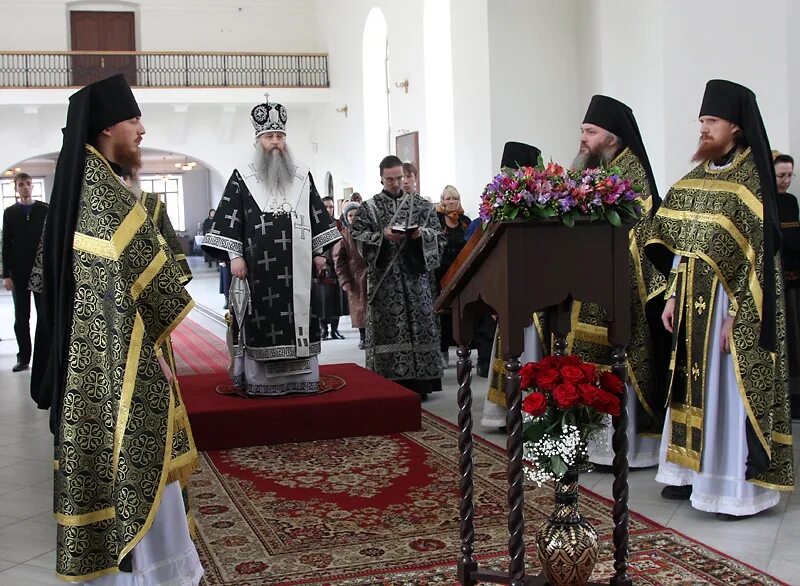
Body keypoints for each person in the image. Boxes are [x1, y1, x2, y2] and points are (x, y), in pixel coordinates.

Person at [30, 74, 202, 583]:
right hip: (123, 365)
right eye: (134, 120)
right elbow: (149, 294)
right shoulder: (105, 197)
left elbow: (50, 280)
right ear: (108, 127)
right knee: (135, 463)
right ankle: (154, 574)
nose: (142, 130)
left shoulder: (75, 186)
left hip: (90, 365)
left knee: (99, 462)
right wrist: (148, 358)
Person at [648, 79, 794, 518]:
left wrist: (738, 317)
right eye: (701, 121)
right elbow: (684, 246)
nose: (703, 129)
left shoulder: (751, 180)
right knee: (688, 389)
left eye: (710, 121)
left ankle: (729, 486)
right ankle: (688, 474)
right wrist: (673, 294)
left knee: (726, 394)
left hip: (729, 310)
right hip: (692, 304)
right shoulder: (696, 178)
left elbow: (756, 263)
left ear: (735, 125)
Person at [202, 95, 340, 396]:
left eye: (279, 136)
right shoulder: (242, 177)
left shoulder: (302, 174)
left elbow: (317, 214)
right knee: (263, 321)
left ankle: (302, 378)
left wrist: (318, 252)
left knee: (300, 318)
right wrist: (235, 256)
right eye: (268, 137)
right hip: (258, 270)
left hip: (299, 268)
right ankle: (263, 382)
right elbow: (230, 219)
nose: (275, 142)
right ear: (258, 140)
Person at [566, 95, 669, 469]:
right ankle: (593, 446)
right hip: (587, 283)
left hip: (620, 285)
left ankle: (628, 449)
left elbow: (638, 232)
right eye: (582, 130)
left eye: (590, 132)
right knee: (585, 364)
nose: (583, 138)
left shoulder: (631, 172)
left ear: (611, 137)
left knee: (617, 362)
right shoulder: (587, 170)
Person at [351, 155, 444, 398]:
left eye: (399, 178)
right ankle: (389, 383)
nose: (395, 183)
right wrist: (382, 236)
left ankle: (422, 384)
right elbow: (357, 236)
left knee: (420, 324)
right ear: (381, 178)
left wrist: (421, 235)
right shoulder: (369, 208)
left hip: (416, 282)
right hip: (385, 282)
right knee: (389, 327)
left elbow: (438, 236)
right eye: (390, 179)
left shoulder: (422, 205)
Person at [2, 172, 48, 372]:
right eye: (21, 184)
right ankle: (23, 358)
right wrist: (6, 275)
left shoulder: (44, 210)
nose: (26, 187)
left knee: (44, 316)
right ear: (16, 188)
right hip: (18, 273)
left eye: (28, 183)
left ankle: (44, 358)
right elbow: (6, 245)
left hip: (40, 271)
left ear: (32, 186)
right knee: (21, 317)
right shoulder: (10, 213)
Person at [774, 153, 800, 418]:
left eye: (790, 175)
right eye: (781, 175)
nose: (786, 181)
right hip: (778, 278)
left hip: (795, 278)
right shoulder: (766, 199)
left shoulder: (791, 201)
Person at [435, 185, 471, 368]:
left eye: (454, 198)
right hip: (440, 273)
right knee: (442, 314)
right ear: (442, 200)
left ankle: (464, 349)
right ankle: (441, 351)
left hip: (460, 272)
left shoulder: (465, 221)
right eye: (447, 198)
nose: (450, 202)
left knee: (462, 312)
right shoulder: (436, 220)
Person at [334, 201, 368, 349]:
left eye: (356, 215)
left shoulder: (368, 232)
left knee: (371, 307)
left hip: (370, 274)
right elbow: (339, 260)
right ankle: (363, 337)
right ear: (346, 217)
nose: (353, 218)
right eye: (350, 215)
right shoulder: (344, 235)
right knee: (359, 309)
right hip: (355, 276)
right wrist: (344, 279)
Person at [315, 195, 345, 339]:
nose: (329, 209)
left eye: (331, 207)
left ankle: (335, 329)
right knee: (323, 300)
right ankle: (323, 330)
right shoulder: (316, 223)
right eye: (326, 206)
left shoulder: (338, 224)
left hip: (336, 266)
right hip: (322, 267)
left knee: (336, 300)